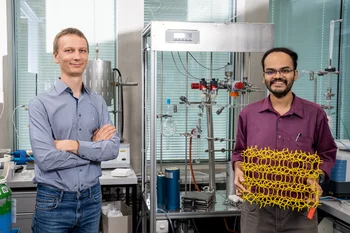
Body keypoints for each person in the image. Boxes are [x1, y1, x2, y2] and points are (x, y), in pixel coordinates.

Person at [232, 47, 337, 233]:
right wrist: (239, 170)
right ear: (264, 75)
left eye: (285, 70)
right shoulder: (249, 114)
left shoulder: (314, 114)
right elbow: (239, 152)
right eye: (270, 71)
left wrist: (316, 176)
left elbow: (327, 153)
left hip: (300, 210)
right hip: (257, 210)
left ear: (295, 74)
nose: (277, 76)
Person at [28, 27, 120, 233]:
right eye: (69, 50)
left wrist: (74, 145)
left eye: (82, 50)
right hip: (53, 201)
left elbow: (113, 149)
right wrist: (94, 149)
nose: (77, 56)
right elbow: (46, 159)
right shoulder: (40, 104)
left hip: (92, 199)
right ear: (56, 56)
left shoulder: (98, 102)